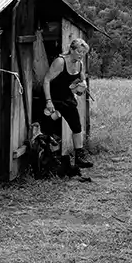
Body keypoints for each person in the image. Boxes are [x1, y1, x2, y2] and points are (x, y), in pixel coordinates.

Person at [42, 38, 92, 176]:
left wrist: (81, 88)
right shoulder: (60, 62)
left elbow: (77, 87)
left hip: (67, 99)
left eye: (83, 53)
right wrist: (48, 101)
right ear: (72, 50)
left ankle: (79, 158)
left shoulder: (80, 65)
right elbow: (46, 80)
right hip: (54, 99)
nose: (81, 55)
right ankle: (51, 160)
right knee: (50, 124)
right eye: (79, 52)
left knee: (77, 127)